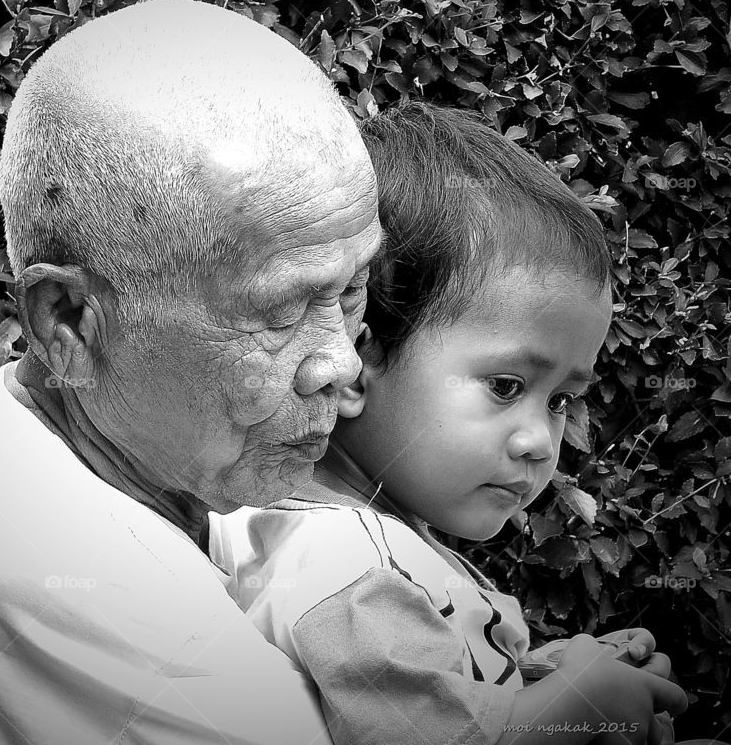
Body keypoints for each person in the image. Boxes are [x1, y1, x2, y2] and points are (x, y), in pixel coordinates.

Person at [0, 0, 382, 744]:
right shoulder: (98, 609)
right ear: (68, 321)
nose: (341, 360)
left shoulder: (50, 441)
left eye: (350, 287)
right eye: (279, 312)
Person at [210, 101, 689, 745]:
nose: (539, 442)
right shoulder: (346, 571)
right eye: (505, 386)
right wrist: (582, 704)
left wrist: (565, 671)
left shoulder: (360, 541)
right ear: (356, 358)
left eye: (560, 400)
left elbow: (448, 694)